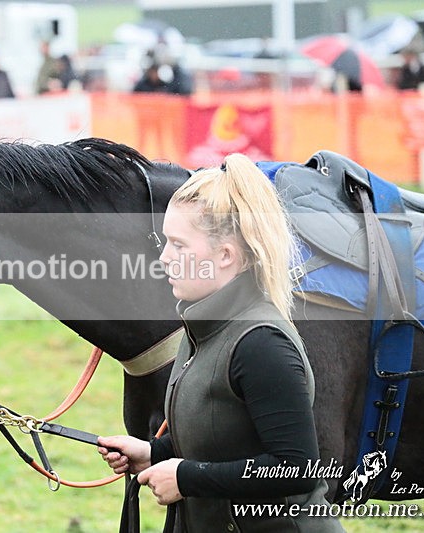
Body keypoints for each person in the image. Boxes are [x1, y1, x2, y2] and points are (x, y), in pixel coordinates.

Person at [98, 154, 343, 532]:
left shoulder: (262, 343)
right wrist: (154, 453)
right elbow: (222, 438)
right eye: (165, 242)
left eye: (179, 245)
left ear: (226, 256)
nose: (164, 258)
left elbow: (296, 469)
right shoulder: (202, 326)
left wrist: (186, 478)